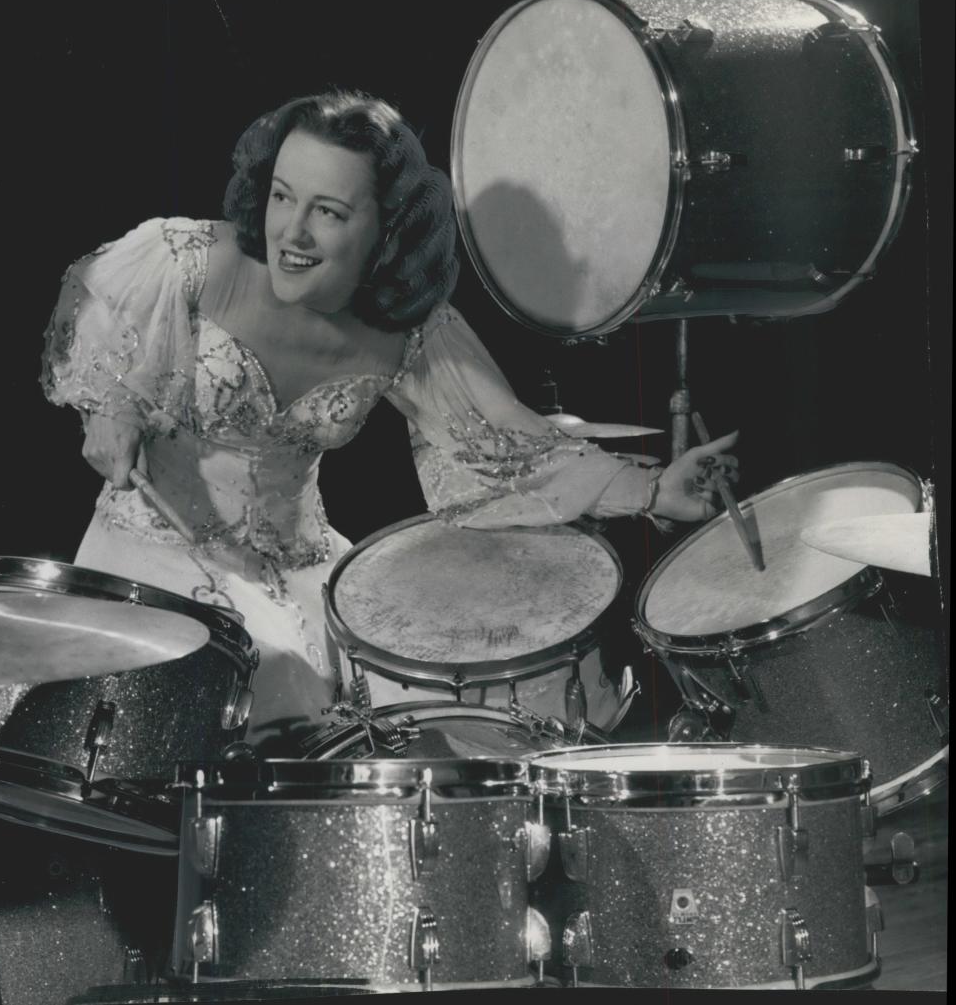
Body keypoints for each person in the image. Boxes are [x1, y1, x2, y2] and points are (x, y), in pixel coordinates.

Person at [40, 90, 738, 752]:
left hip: (304, 572)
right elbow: (105, 330)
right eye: (282, 196)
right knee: (277, 680)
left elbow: (509, 444)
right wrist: (113, 407)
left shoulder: (412, 331)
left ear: (386, 227)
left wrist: (653, 491)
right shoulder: (184, 262)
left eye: (329, 212)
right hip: (154, 554)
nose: (293, 231)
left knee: (423, 700)